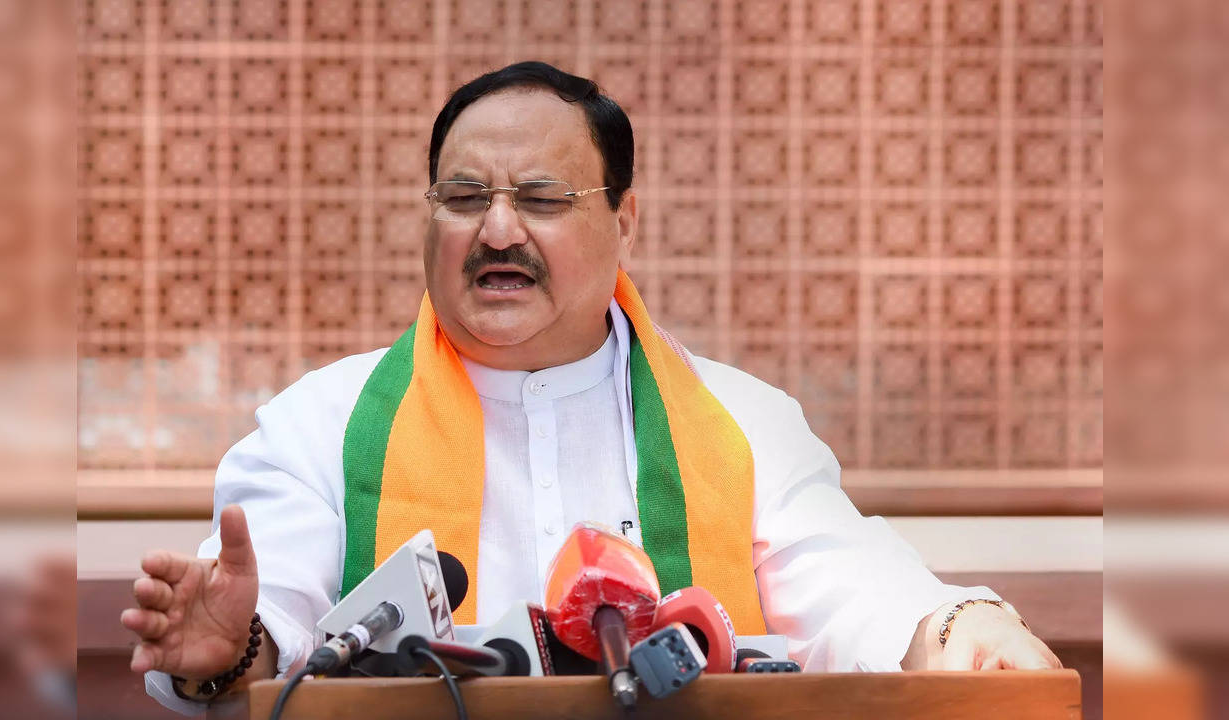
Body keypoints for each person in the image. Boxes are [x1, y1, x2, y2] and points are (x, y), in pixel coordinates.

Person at [122, 62, 1060, 713]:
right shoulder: (321, 424)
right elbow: (265, 621)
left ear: (625, 220)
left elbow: (848, 581)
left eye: (540, 199)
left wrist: (956, 618)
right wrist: (232, 651)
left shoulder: (741, 423)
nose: (496, 232)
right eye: (463, 198)